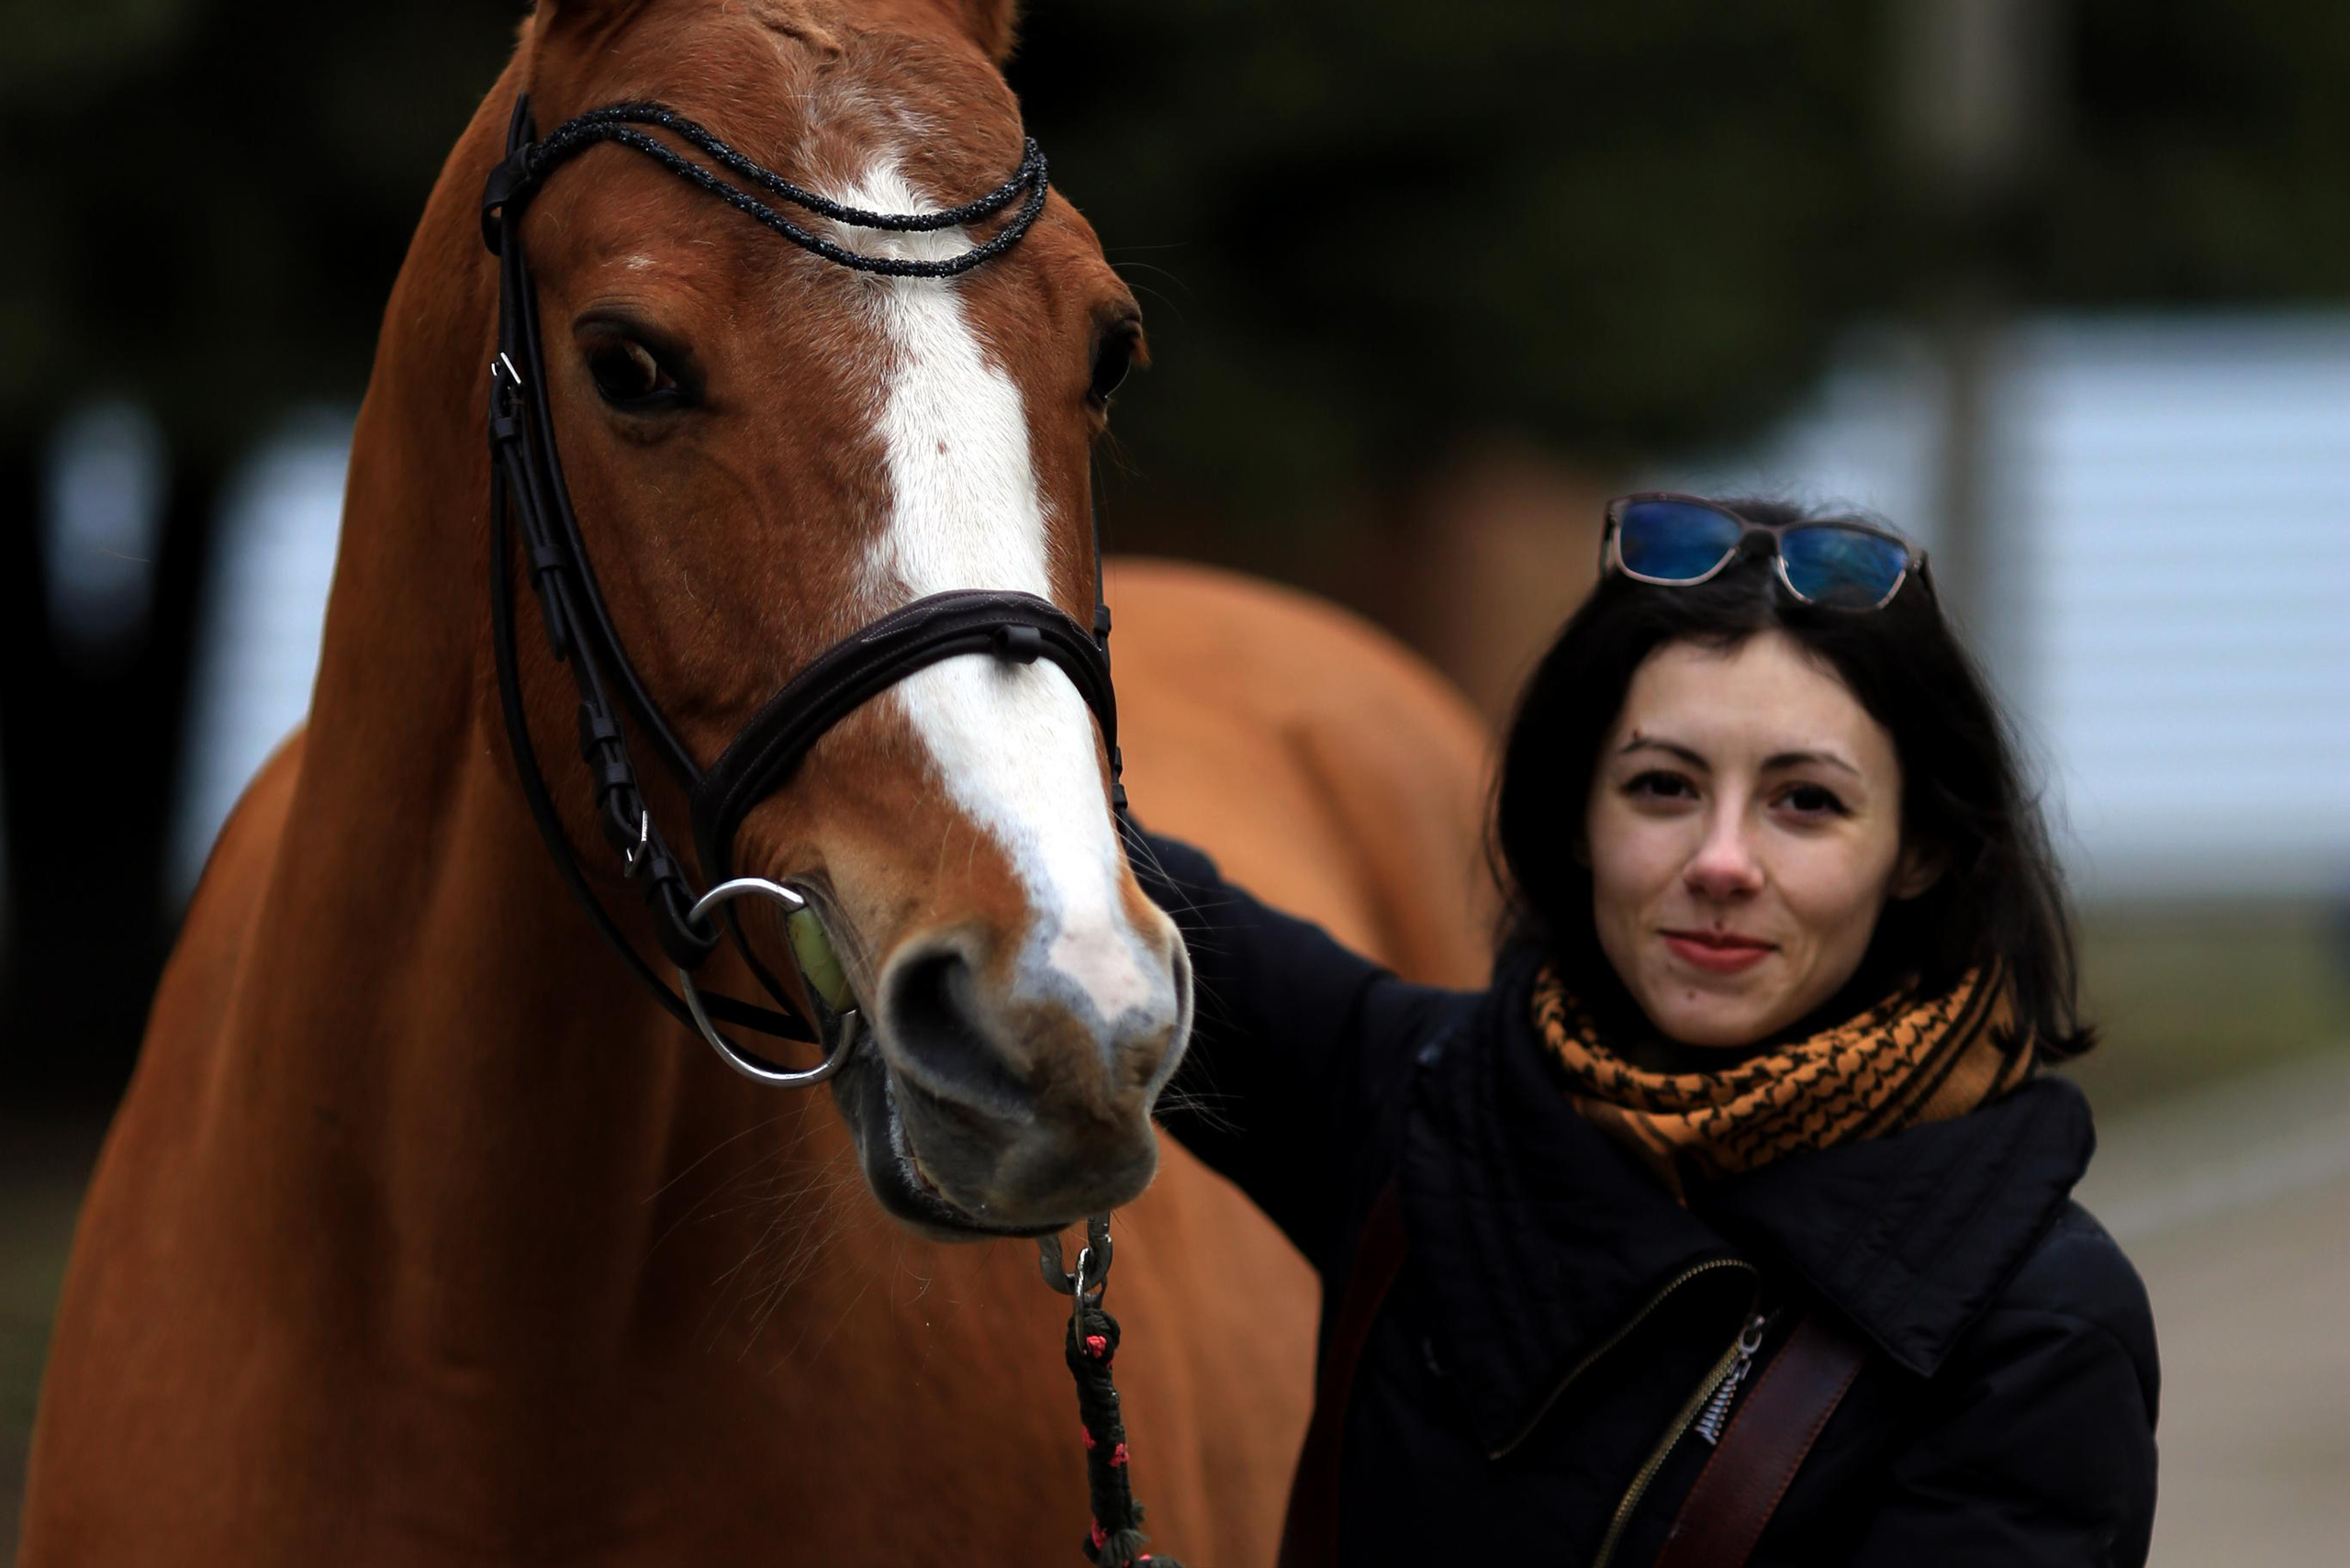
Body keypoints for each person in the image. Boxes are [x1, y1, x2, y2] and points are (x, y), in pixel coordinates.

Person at [1139, 495, 2158, 1567]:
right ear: (1578, 818)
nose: (1720, 860)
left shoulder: (2038, 1328)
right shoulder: (1414, 1094)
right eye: (1661, 787)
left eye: (1804, 801)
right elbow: (1071, 876)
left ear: (1920, 851)